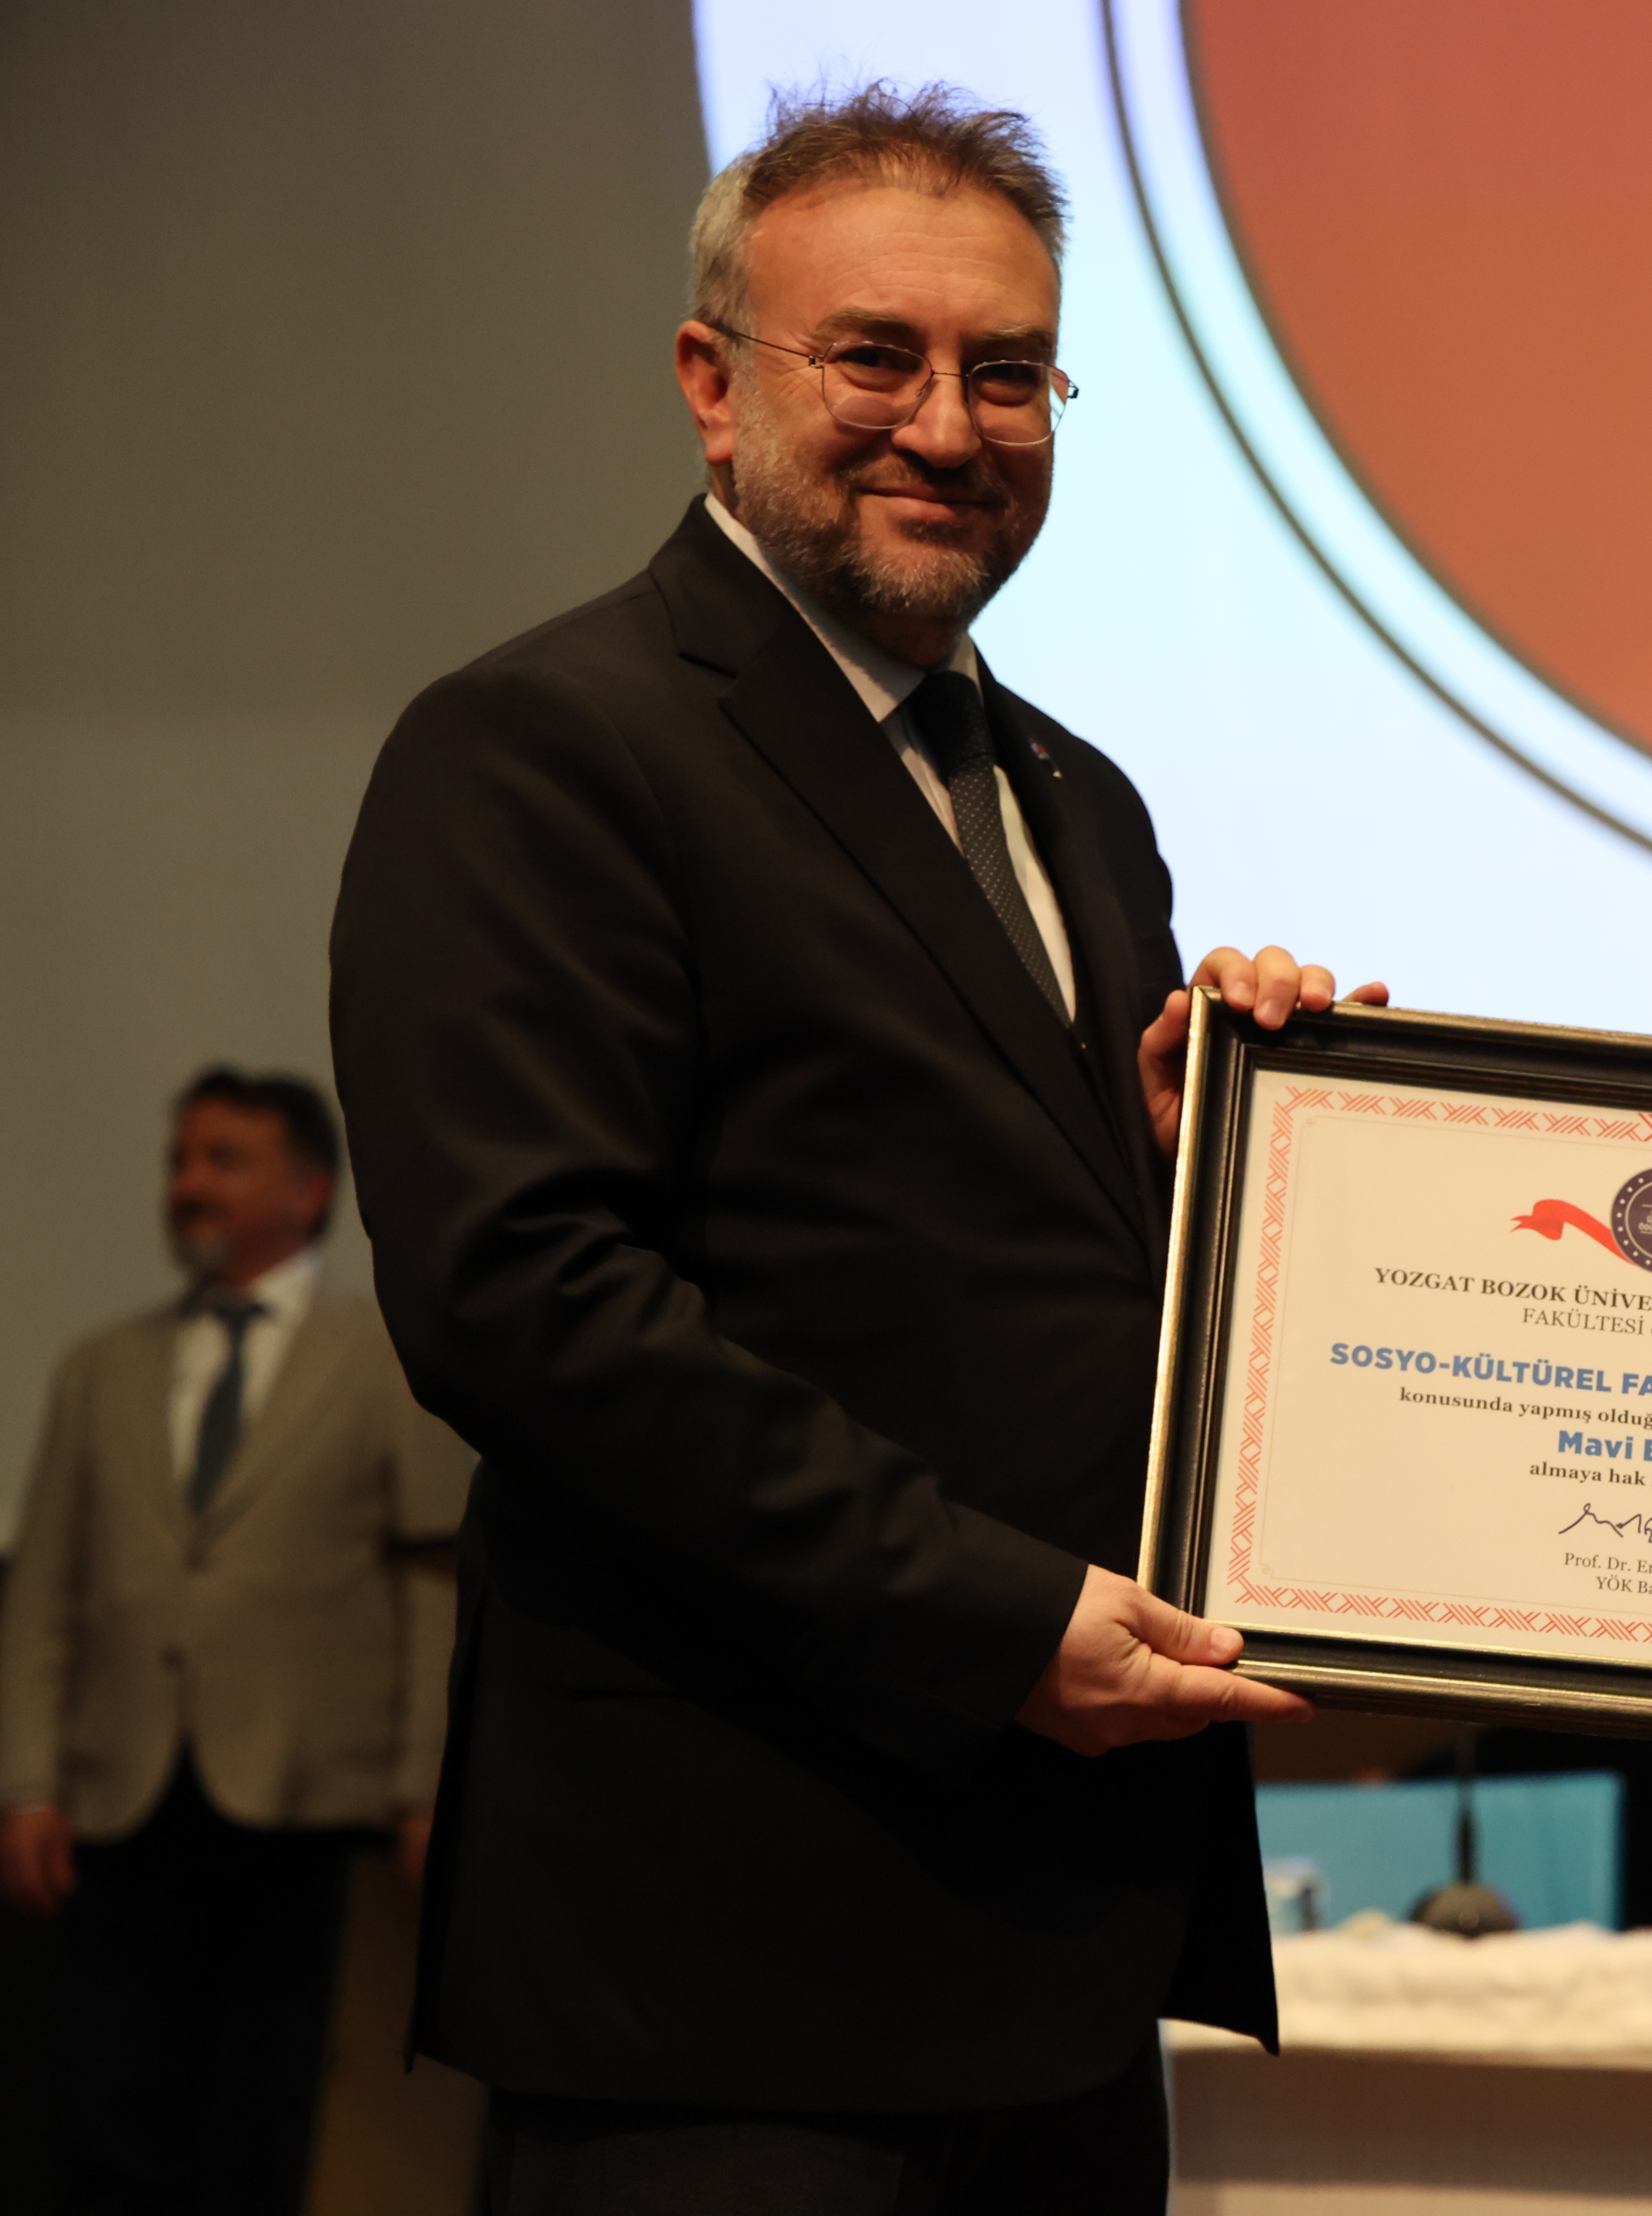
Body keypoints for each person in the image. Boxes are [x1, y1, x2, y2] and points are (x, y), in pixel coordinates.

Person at [328, 85, 1375, 2213]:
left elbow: (988, 1244)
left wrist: (1213, 1180)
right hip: (725, 1956)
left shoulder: (1077, 799)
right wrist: (995, 1620)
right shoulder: (545, 742)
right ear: (713, 385)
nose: (952, 426)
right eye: (877, 357)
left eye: (1012, 372)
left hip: (1057, 1942)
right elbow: (524, 1297)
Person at [1, 1067, 468, 2214]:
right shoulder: (101, 1367)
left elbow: (430, 1592)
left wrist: (426, 1788)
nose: (189, 1184)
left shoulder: (387, 1360)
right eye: (179, 1161)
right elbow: (45, 1591)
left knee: (271, 2121)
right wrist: (27, 1782)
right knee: (113, 2116)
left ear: (308, 1190)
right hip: (124, 1801)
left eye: (223, 1160)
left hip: (310, 1807)